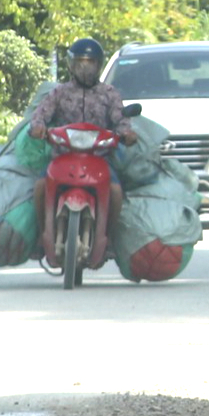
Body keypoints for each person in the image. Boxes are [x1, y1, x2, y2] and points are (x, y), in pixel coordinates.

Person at [28, 37, 136, 268]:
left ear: (99, 65)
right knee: (39, 188)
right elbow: (41, 114)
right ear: (71, 66)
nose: (85, 69)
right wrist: (37, 127)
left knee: (116, 191)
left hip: (99, 159)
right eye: (80, 64)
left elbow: (121, 120)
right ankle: (41, 235)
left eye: (90, 63)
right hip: (62, 157)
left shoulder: (109, 94)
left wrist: (126, 133)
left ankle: (110, 239)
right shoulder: (60, 93)